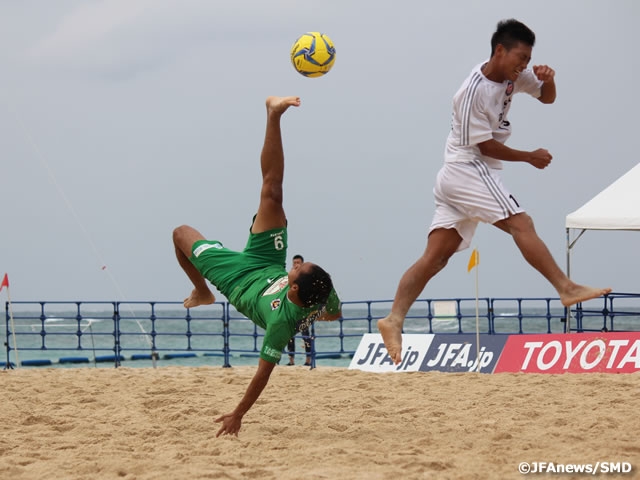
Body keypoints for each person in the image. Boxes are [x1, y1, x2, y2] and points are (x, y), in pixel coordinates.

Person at [377, 19, 612, 365]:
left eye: (529, 59)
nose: (525, 65)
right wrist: (528, 156)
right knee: (522, 224)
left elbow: (547, 99)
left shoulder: (512, 76)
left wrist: (550, 81)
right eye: (521, 57)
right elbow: (485, 146)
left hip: (458, 175)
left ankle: (393, 318)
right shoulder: (472, 91)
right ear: (499, 50)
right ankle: (565, 287)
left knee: (436, 257)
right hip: (468, 169)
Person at [173, 96, 341, 436]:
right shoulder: (324, 290)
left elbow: (262, 374)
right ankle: (273, 114)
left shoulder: (280, 324)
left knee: (180, 234)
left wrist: (238, 414)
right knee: (273, 193)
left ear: (294, 287)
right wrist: (317, 313)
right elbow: (335, 314)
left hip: (238, 281)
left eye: (298, 268)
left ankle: (204, 291)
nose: (297, 264)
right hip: (265, 261)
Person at [286, 254, 313, 366]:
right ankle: (291, 360)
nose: (296, 265)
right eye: (294, 263)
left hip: (303, 311)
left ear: (302, 264)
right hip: (292, 310)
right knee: (289, 336)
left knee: (305, 335)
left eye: (298, 263)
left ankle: (308, 359)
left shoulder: (306, 276)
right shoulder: (290, 276)